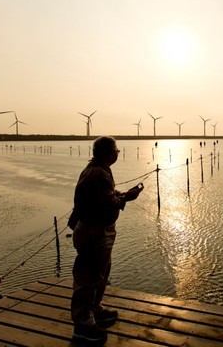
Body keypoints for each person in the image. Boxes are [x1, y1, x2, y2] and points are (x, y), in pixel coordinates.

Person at [69, 136, 143, 344]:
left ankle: (94, 309)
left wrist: (118, 194)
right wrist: (127, 197)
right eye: (116, 151)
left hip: (100, 231)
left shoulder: (98, 169)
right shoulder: (97, 173)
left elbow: (103, 196)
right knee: (88, 277)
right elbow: (107, 203)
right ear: (109, 153)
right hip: (94, 232)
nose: (117, 154)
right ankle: (83, 326)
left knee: (100, 273)